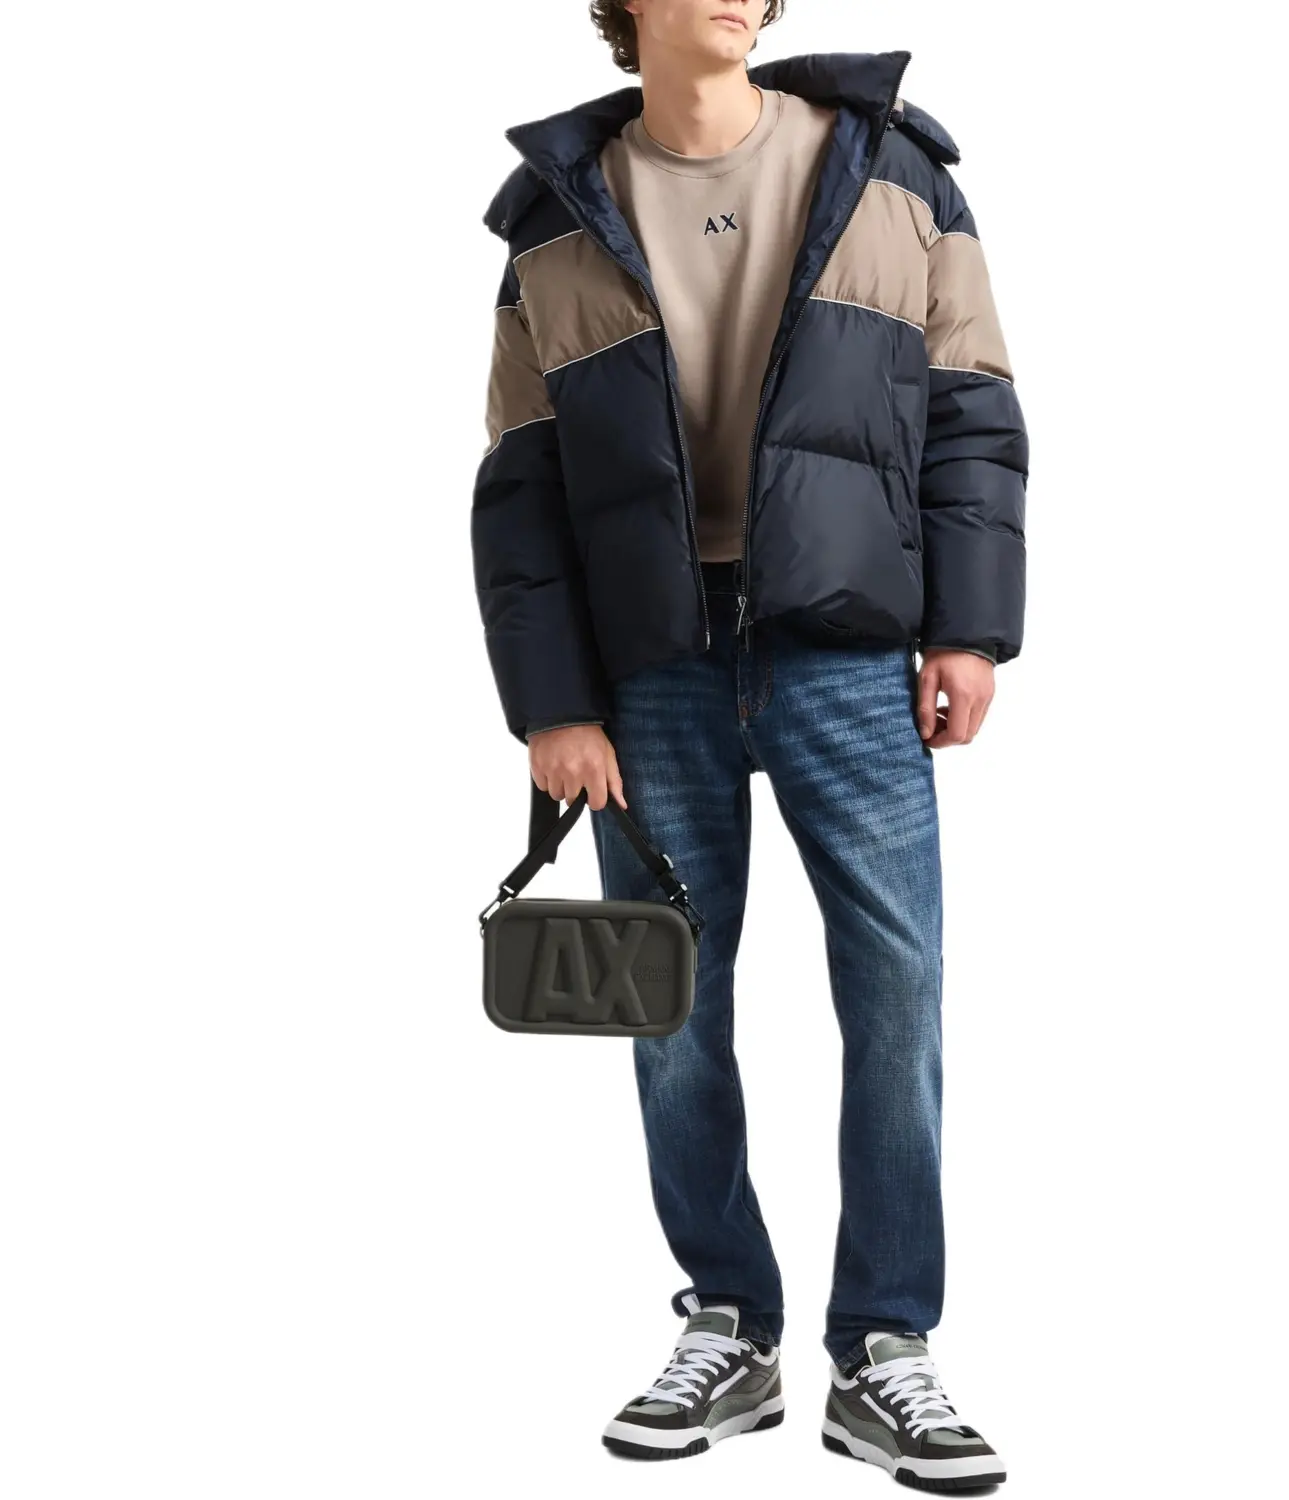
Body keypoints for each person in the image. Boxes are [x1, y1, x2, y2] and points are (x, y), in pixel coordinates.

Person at [471, 1, 1026, 1486]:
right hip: (649, 671)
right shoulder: (551, 215)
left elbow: (973, 409)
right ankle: (729, 1319)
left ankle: (885, 1345)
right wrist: (553, 702)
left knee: (898, 996)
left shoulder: (893, 169)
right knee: (671, 1010)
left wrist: (970, 630)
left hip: (848, 653)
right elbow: (519, 480)